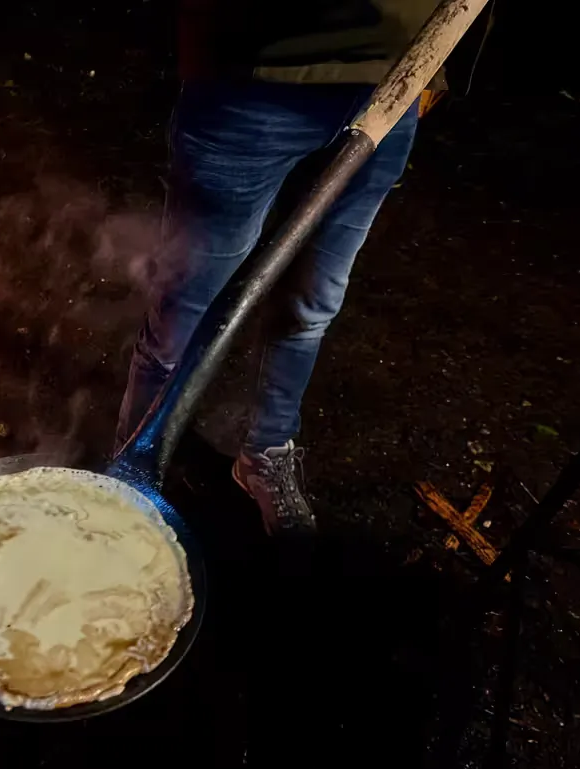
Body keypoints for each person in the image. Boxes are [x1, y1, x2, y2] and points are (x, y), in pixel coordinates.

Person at [117, 0, 441, 534]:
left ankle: (266, 451)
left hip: (397, 78)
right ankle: (132, 471)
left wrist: (440, 66)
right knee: (186, 314)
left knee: (313, 303)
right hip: (257, 78)